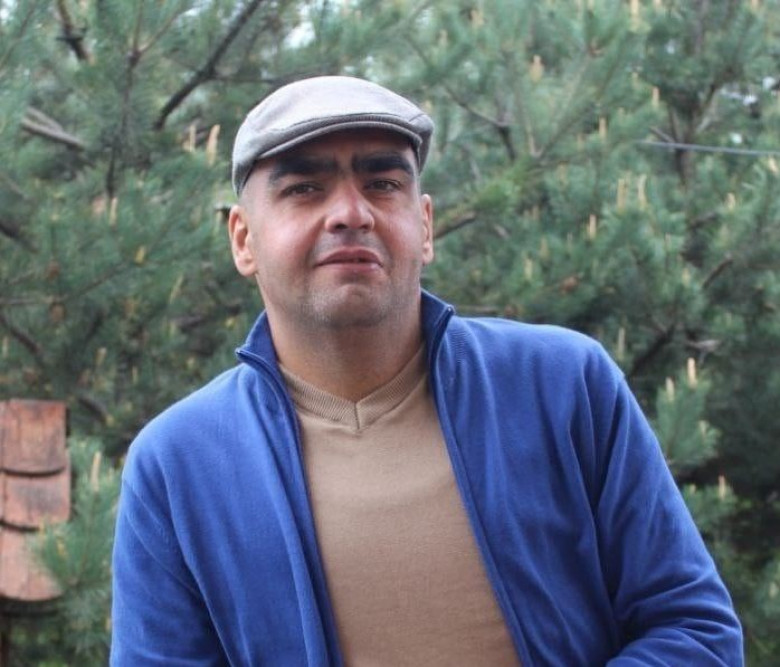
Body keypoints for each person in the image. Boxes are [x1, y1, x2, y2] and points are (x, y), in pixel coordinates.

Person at [110, 76, 743, 666]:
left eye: (383, 183)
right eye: (304, 188)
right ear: (243, 239)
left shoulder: (562, 385)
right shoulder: (179, 463)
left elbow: (695, 630)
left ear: (425, 224)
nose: (351, 212)